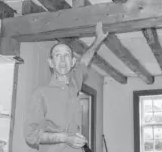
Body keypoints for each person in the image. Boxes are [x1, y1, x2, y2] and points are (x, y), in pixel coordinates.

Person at [23, 22, 108, 152]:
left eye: (67, 55)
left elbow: (84, 61)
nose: (63, 61)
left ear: (73, 62)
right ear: (51, 63)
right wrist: (65, 138)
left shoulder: (74, 82)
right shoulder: (41, 93)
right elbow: (30, 136)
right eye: (58, 55)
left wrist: (98, 40)